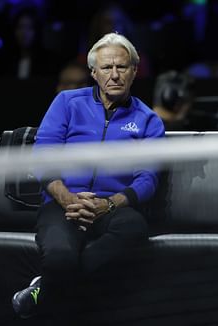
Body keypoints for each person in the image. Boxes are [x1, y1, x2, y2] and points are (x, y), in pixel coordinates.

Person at [11, 32, 165, 320]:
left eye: (122, 67)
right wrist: (69, 200)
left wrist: (106, 205)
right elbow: (44, 157)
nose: (115, 74)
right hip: (62, 205)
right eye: (107, 68)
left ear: (134, 71)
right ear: (94, 73)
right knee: (60, 259)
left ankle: (43, 288)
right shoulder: (67, 103)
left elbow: (147, 180)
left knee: (135, 229)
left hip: (114, 210)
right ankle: (55, 280)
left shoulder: (148, 119)